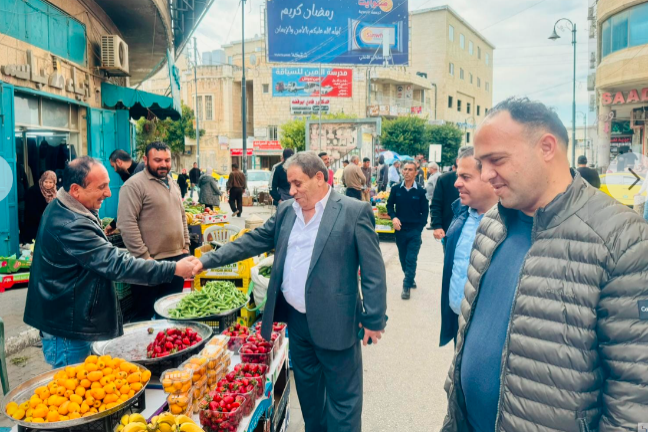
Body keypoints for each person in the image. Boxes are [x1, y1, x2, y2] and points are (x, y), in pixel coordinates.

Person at [441, 97, 648, 432]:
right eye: (481, 163)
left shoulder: (622, 239)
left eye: (497, 160)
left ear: (547, 147)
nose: (487, 174)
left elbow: (636, 393)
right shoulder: (492, 224)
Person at [193, 151, 387, 432]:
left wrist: (374, 318)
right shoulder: (286, 211)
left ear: (319, 178)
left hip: (338, 324)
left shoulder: (353, 212)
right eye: (289, 184)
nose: (291, 190)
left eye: (297, 183)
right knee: (309, 401)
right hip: (298, 325)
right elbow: (251, 242)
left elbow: (373, 270)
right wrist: (204, 261)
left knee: (343, 405)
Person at [23, 157, 198, 368]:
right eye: (102, 187)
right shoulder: (69, 224)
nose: (108, 193)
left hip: (72, 320)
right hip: (68, 332)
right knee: (73, 393)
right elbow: (116, 264)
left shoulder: (68, 207)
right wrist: (174, 268)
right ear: (76, 190)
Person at [117, 142, 191, 322]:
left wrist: (186, 246)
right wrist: (144, 257)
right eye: (157, 160)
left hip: (176, 262)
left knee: (171, 313)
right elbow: (126, 224)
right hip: (149, 264)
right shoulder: (133, 186)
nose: (163, 164)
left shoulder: (172, 182)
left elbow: (182, 215)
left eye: (167, 160)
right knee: (145, 316)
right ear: (145, 159)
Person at [439, 147, 498, 347]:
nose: (456, 183)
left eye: (465, 177)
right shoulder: (461, 215)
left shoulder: (510, 225)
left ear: (490, 177)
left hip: (486, 332)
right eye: (457, 176)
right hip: (457, 320)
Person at [386, 161, 429, 300]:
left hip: (414, 231)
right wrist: (393, 218)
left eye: (410, 170)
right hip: (400, 230)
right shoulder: (396, 189)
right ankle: (410, 277)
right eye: (405, 169)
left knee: (411, 258)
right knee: (403, 258)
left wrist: (419, 228)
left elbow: (425, 212)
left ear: (416, 173)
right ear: (402, 171)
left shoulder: (421, 192)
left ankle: (406, 286)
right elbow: (389, 206)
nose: (407, 172)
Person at [429, 161, 459, 244]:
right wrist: (437, 225)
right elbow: (436, 204)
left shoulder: (481, 178)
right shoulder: (445, 179)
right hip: (449, 228)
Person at [23, 171, 57, 243]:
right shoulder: (33, 191)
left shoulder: (56, 193)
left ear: (54, 183)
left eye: (51, 182)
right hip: (35, 227)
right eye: (46, 182)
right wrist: (45, 219)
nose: (48, 185)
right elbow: (31, 211)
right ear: (41, 181)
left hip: (50, 227)